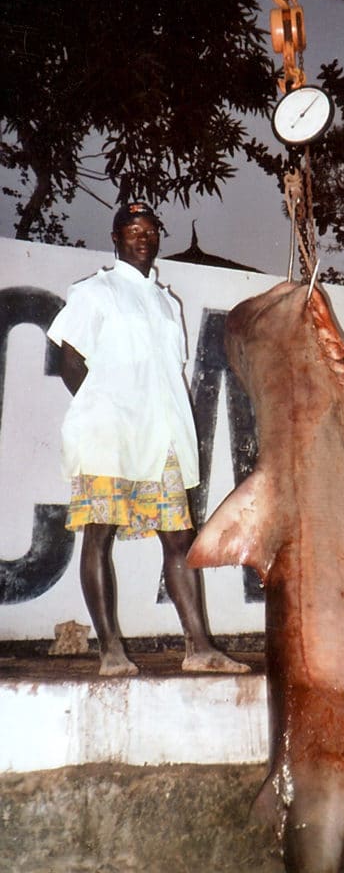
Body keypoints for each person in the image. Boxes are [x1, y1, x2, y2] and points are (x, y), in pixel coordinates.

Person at [47, 201, 248, 677]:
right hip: (109, 437)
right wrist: (109, 409)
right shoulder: (93, 292)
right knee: (99, 534)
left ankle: (199, 647)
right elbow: (70, 364)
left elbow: (167, 373)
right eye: (132, 230)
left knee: (180, 537)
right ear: (115, 238)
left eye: (150, 230)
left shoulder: (166, 302)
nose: (142, 237)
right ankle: (111, 651)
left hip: (162, 438)